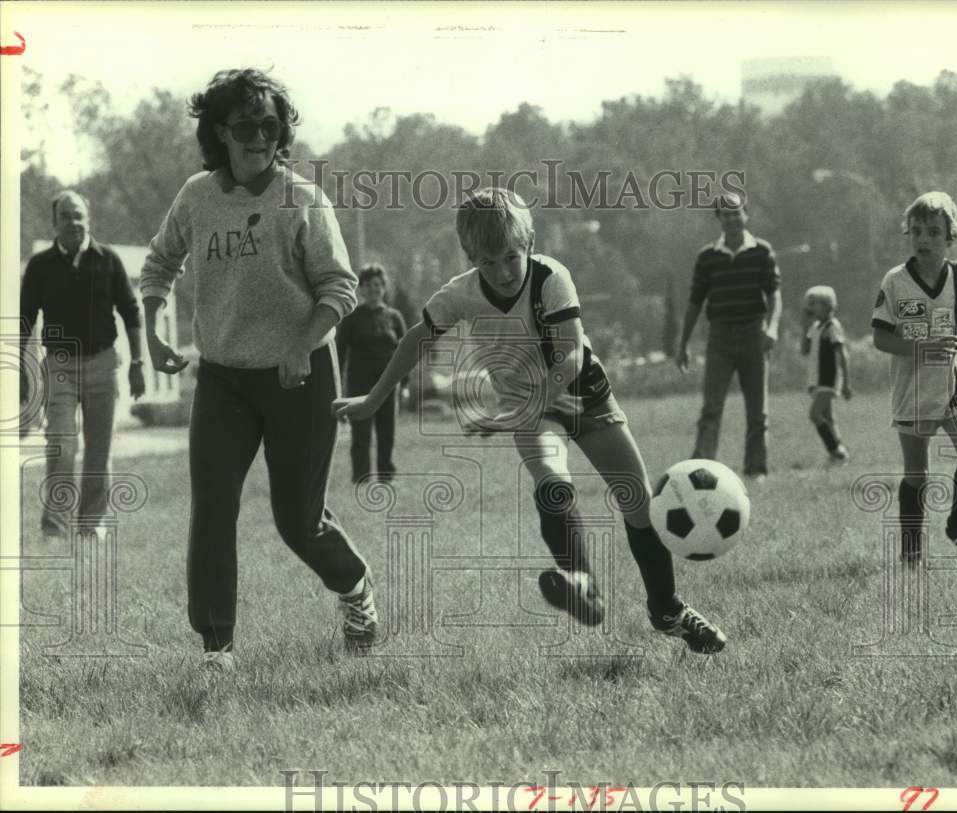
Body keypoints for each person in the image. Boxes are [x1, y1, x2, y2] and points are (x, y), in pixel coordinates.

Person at [335, 188, 727, 654]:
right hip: (529, 407)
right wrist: (375, 398)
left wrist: (512, 412)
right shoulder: (459, 294)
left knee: (637, 501)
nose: (500, 273)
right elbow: (416, 338)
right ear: (470, 257)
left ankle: (668, 610)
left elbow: (570, 357)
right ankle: (580, 584)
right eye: (487, 262)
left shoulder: (551, 278)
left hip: (585, 395)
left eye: (510, 258)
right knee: (551, 480)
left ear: (530, 243)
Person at [139, 68, 379, 671]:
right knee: (213, 506)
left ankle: (354, 588)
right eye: (246, 126)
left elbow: (340, 286)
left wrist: (301, 344)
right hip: (223, 376)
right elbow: (160, 261)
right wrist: (149, 326)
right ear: (220, 130)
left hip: (299, 375)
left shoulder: (301, 198)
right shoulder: (196, 195)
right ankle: (216, 646)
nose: (261, 138)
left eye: (272, 126)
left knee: (298, 523)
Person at [20, 190, 146, 539]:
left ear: (88, 220)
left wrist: (137, 363)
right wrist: (21, 377)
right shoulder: (40, 266)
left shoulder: (108, 259)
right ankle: (54, 528)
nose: (73, 222)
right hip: (59, 367)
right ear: (54, 223)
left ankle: (92, 524)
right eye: (65, 216)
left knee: (99, 449)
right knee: (62, 444)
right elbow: (25, 322)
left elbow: (131, 313)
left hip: (103, 364)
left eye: (79, 215)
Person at [871, 191, 957, 568]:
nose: (924, 239)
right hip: (913, 390)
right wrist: (923, 347)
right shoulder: (896, 281)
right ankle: (912, 552)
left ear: (951, 235)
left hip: (954, 387)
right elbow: (880, 337)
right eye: (916, 231)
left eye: (934, 232)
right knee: (917, 473)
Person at [676, 191, 782, 482]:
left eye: (737, 213)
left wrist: (772, 328)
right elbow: (695, 301)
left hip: (753, 335)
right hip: (720, 338)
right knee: (711, 407)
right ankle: (702, 469)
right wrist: (682, 342)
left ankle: (755, 469)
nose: (733, 219)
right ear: (719, 218)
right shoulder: (708, 257)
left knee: (757, 411)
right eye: (726, 214)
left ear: (746, 214)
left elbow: (774, 296)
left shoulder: (762, 251)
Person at [335, 264, 409, 483]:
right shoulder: (352, 318)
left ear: (384, 288)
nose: (373, 289)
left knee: (387, 433)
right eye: (367, 285)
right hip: (359, 384)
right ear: (361, 290)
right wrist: (337, 383)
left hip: (388, 384)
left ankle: (386, 476)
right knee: (361, 434)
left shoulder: (394, 318)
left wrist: (404, 384)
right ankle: (361, 477)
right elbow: (339, 352)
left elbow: (405, 352)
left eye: (377, 285)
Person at [800, 285, 852, 465]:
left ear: (828, 306)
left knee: (814, 414)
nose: (811, 308)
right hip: (816, 379)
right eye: (810, 304)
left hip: (828, 379)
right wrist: (804, 328)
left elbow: (842, 353)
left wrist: (845, 382)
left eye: (815, 304)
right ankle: (839, 452)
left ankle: (836, 451)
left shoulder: (832, 326)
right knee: (828, 418)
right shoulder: (814, 327)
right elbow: (804, 350)